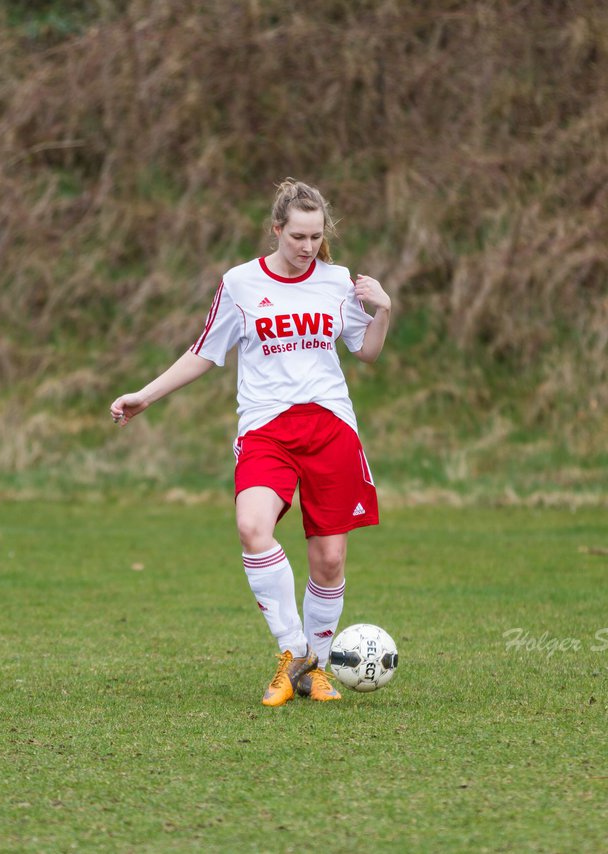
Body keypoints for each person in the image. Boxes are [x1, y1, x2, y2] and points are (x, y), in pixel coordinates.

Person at [109, 178, 392, 707]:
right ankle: (295, 654)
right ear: (277, 229)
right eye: (297, 237)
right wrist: (146, 396)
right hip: (266, 429)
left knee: (329, 559)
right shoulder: (240, 283)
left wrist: (383, 310)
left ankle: (318, 671)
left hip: (331, 427)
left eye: (316, 237)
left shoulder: (336, 282)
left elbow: (367, 353)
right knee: (251, 527)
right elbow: (203, 351)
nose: (307, 247)